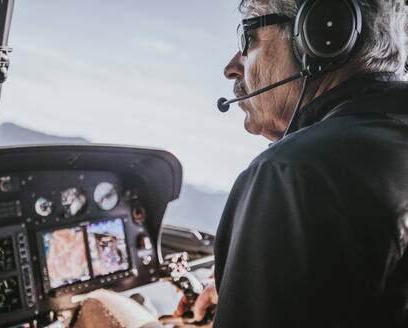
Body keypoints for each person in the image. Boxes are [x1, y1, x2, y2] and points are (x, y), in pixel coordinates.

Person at [173, 0, 408, 327]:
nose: (231, 66)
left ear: (324, 31)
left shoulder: (290, 174)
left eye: (247, 39)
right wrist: (247, 291)